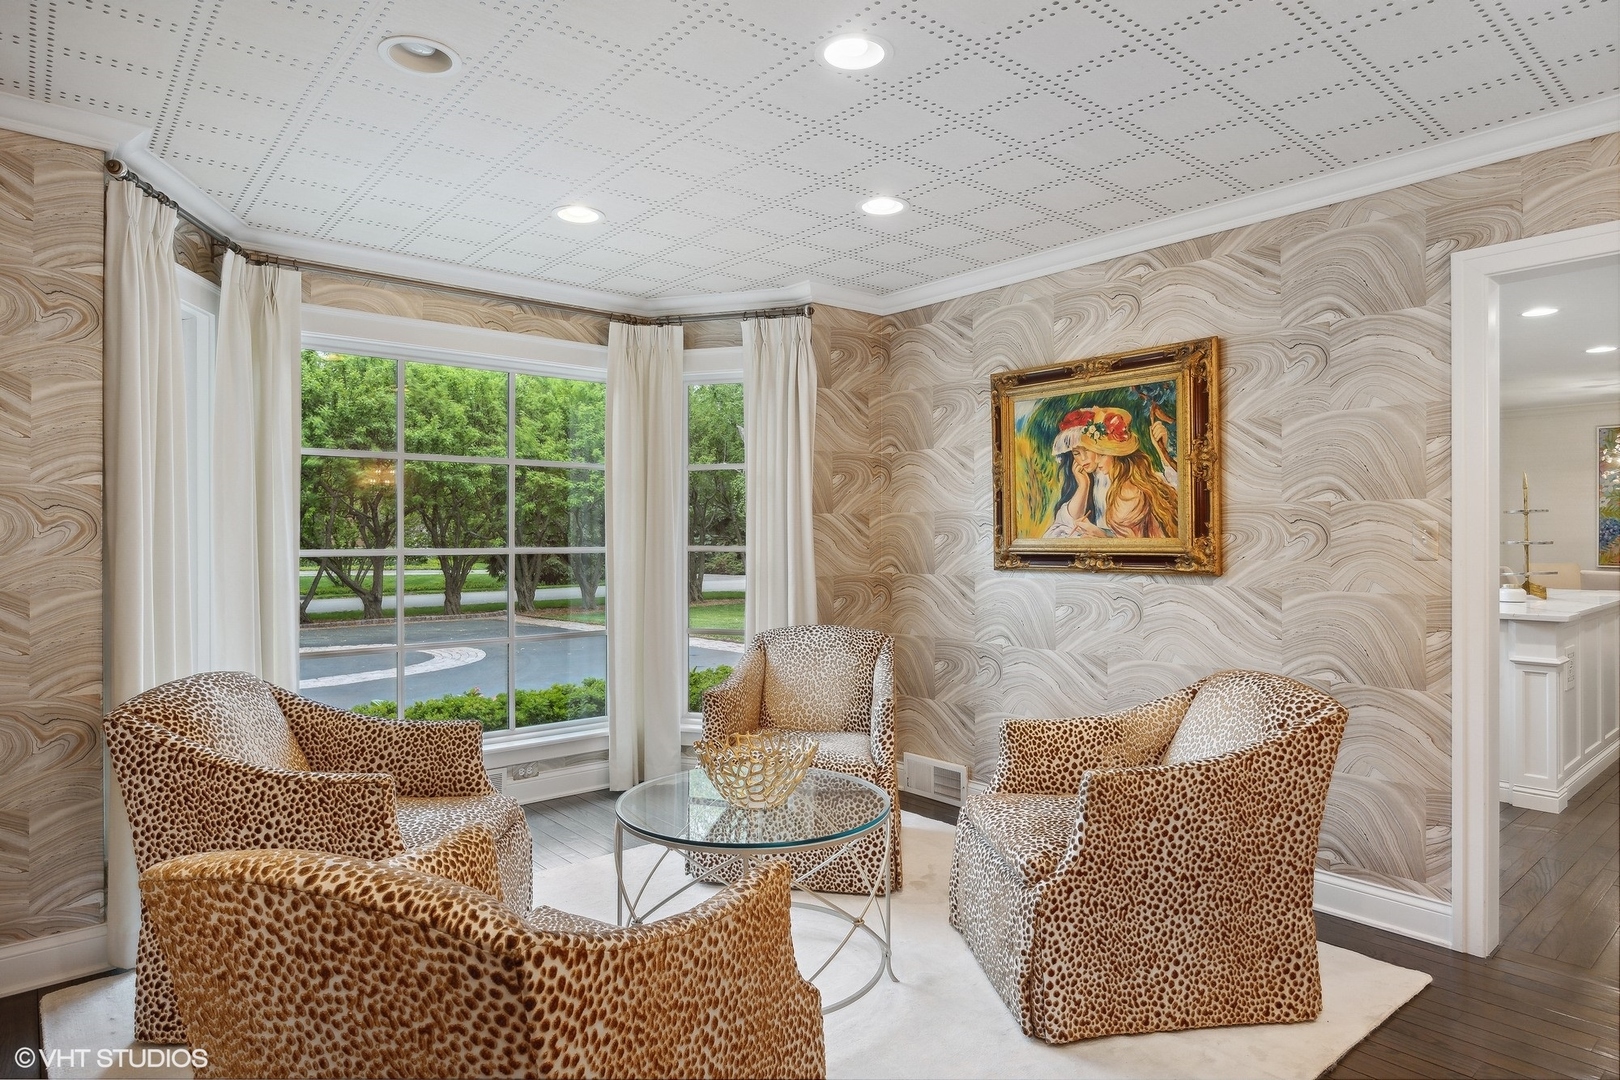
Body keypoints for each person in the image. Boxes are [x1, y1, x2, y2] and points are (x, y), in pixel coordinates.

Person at [1043, 405, 1178, 539]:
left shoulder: (1131, 485)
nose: (1083, 459)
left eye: (1088, 450)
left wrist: (1164, 453)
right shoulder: (1086, 480)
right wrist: (1083, 486)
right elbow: (1061, 527)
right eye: (1076, 453)